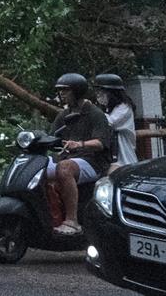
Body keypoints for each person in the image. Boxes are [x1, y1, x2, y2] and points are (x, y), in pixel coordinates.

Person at [48, 73, 112, 236]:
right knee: (39, 166)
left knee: (64, 168)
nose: (62, 94)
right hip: (69, 158)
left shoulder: (95, 114)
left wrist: (80, 144)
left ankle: (72, 221)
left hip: (93, 161)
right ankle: (49, 216)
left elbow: (100, 143)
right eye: (60, 91)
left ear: (77, 91)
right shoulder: (64, 115)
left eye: (66, 91)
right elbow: (51, 137)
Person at [94, 74, 137, 173]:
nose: (98, 95)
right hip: (109, 157)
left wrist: (92, 110)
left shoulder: (124, 107)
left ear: (112, 92)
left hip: (123, 156)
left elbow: (109, 123)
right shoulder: (107, 109)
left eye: (102, 91)